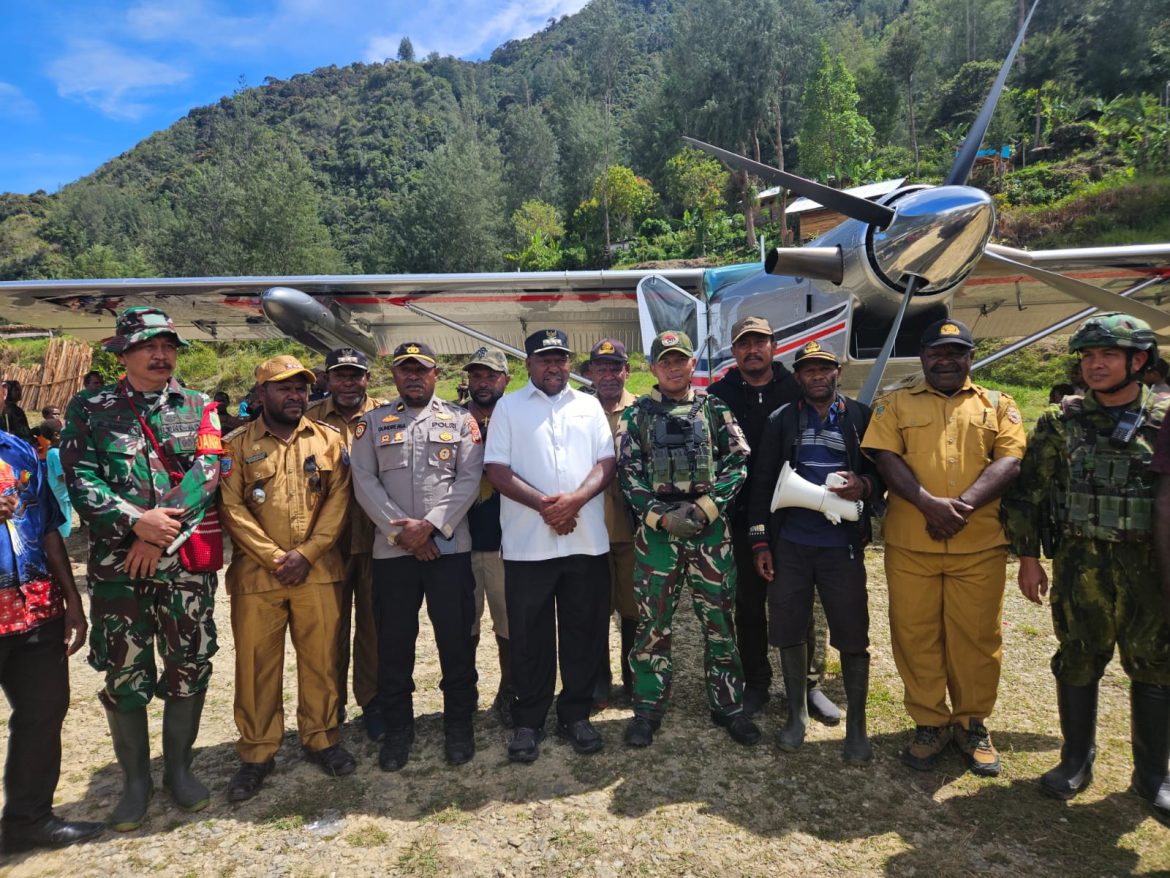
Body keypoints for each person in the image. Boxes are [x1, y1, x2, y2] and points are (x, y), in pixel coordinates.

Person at [1003, 313, 1170, 822]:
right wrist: (1029, 557)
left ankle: (1154, 774)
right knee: (1077, 656)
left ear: (1137, 362)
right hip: (1081, 562)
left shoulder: (1164, 420)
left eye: (1108, 356)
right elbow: (1028, 492)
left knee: (1155, 663)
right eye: (1089, 357)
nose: (1095, 366)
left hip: (1149, 565)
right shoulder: (1061, 421)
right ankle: (1076, 760)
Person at [61, 307, 222, 830]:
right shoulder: (90, 407)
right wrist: (136, 524)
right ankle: (135, 782)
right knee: (124, 672)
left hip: (182, 567)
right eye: (149, 347)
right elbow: (80, 477)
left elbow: (208, 471)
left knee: (189, 663)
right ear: (123, 355)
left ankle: (178, 769)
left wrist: (161, 535)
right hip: (119, 567)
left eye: (169, 346)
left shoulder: (200, 406)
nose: (161, 356)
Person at [862, 318, 1025, 777]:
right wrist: (926, 504)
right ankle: (930, 722)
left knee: (977, 637)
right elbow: (885, 457)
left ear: (970, 358)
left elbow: (1010, 461)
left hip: (979, 544)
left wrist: (962, 506)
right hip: (912, 543)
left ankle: (973, 723)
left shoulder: (998, 404)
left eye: (956, 352)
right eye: (937, 352)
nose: (946, 360)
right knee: (915, 635)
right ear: (923, 357)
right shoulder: (894, 404)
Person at [218, 355, 356, 801]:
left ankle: (321, 738)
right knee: (257, 666)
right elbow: (231, 508)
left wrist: (308, 553)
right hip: (258, 576)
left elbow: (339, 500)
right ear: (261, 395)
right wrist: (278, 557)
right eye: (284, 388)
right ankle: (257, 752)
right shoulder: (235, 445)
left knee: (321, 660)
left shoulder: (329, 440)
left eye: (301, 388)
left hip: (318, 571)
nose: (295, 395)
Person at [617, 330, 759, 748]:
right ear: (653, 368)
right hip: (658, 537)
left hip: (709, 533)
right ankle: (647, 708)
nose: (674, 367)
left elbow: (738, 461)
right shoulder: (637, 415)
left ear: (691, 364)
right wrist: (660, 517)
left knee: (719, 622)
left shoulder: (714, 407)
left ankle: (729, 705)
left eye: (680, 360)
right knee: (652, 625)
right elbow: (627, 472)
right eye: (665, 361)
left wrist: (705, 509)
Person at [747, 341, 884, 763]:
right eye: (809, 370)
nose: (818, 376)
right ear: (799, 375)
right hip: (791, 544)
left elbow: (881, 474)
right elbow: (764, 480)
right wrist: (760, 540)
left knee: (852, 630)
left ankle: (858, 726)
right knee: (788, 625)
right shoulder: (782, 420)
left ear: (837, 372)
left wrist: (863, 488)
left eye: (824, 369)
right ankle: (797, 714)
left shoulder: (860, 418)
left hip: (840, 545)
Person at [484, 328, 615, 763]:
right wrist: (546, 505)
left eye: (560, 358)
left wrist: (574, 501)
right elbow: (497, 470)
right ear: (528, 365)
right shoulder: (508, 407)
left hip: (585, 539)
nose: (554, 366)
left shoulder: (589, 404)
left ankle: (575, 713)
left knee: (583, 631)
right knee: (529, 635)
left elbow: (606, 462)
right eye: (544, 359)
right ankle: (529, 719)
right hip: (527, 545)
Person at [351, 341, 482, 771]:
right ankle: (399, 730)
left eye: (420, 370)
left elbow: (469, 479)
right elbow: (364, 481)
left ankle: (459, 725)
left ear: (434, 374)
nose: (413, 376)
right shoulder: (372, 423)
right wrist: (400, 531)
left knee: (456, 642)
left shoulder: (461, 421)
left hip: (449, 548)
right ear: (394, 377)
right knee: (394, 645)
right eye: (405, 370)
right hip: (393, 554)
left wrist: (430, 526)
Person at [709, 316, 837, 722]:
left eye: (760, 341)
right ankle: (757, 680)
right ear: (734, 351)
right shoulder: (718, 395)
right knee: (748, 604)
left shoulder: (796, 387)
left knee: (806, 602)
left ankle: (809, 684)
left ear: (773, 345)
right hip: (741, 514)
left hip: (799, 513)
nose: (752, 350)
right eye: (744, 343)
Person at [0, 390, 103, 854]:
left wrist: (72, 603)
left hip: (34, 610)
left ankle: (29, 819)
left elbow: (48, 527)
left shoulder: (19, 450)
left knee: (43, 713)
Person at [305, 347, 384, 736]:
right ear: (328, 379)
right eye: (341, 376)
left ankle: (373, 703)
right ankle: (328, 708)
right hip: (326, 543)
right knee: (327, 631)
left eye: (356, 375)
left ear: (367, 378)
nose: (349, 383)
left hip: (377, 539)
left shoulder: (387, 414)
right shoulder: (308, 420)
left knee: (374, 630)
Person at [461, 347, 514, 726]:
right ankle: (465, 693)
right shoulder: (450, 418)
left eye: (490, 376)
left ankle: (510, 690)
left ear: (505, 380)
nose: (482, 383)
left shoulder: (518, 418)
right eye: (476, 376)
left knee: (508, 625)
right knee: (464, 626)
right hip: (459, 542)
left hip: (505, 543)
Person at [588, 338, 639, 707]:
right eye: (601, 367)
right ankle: (599, 680)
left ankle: (634, 677)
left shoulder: (643, 409)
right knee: (593, 609)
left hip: (633, 526)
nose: (608, 374)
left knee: (634, 608)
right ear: (590, 372)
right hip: (588, 528)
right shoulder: (574, 409)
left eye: (615, 366)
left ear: (627, 370)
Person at [40, 419, 71, 538]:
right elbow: (61, 477)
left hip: (57, 490)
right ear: (57, 435)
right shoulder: (56, 453)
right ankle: (64, 543)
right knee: (65, 519)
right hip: (62, 492)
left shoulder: (52, 450)